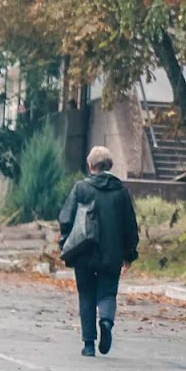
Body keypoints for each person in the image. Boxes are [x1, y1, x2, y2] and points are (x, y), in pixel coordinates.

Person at [58, 146, 140, 357]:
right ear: (109, 165)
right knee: (107, 292)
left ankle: (88, 344)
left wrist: (65, 244)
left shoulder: (80, 188)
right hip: (112, 253)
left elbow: (66, 218)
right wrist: (129, 254)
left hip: (83, 252)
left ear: (90, 165)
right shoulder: (121, 192)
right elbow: (130, 225)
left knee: (86, 294)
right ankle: (106, 321)